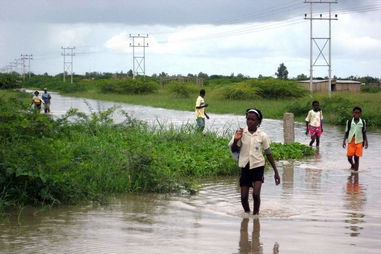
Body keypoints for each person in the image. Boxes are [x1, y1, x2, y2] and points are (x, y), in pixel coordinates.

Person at [229, 108, 280, 215]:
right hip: (245, 167)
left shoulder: (262, 135)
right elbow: (234, 150)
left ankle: (256, 216)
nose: (250, 121)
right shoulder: (241, 133)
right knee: (243, 197)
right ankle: (247, 214)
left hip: (258, 167)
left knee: (256, 195)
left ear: (258, 122)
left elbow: (268, 153)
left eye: (253, 119)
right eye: (248, 119)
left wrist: (276, 171)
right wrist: (235, 140)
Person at [342, 107, 368, 172]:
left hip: (359, 141)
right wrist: (344, 141)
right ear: (353, 113)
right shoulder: (349, 122)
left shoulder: (363, 122)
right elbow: (346, 131)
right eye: (355, 112)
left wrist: (366, 142)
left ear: (360, 114)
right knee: (349, 157)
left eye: (358, 113)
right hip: (351, 141)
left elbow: (364, 132)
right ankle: (353, 165)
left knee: (357, 158)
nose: (356, 114)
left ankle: (356, 174)